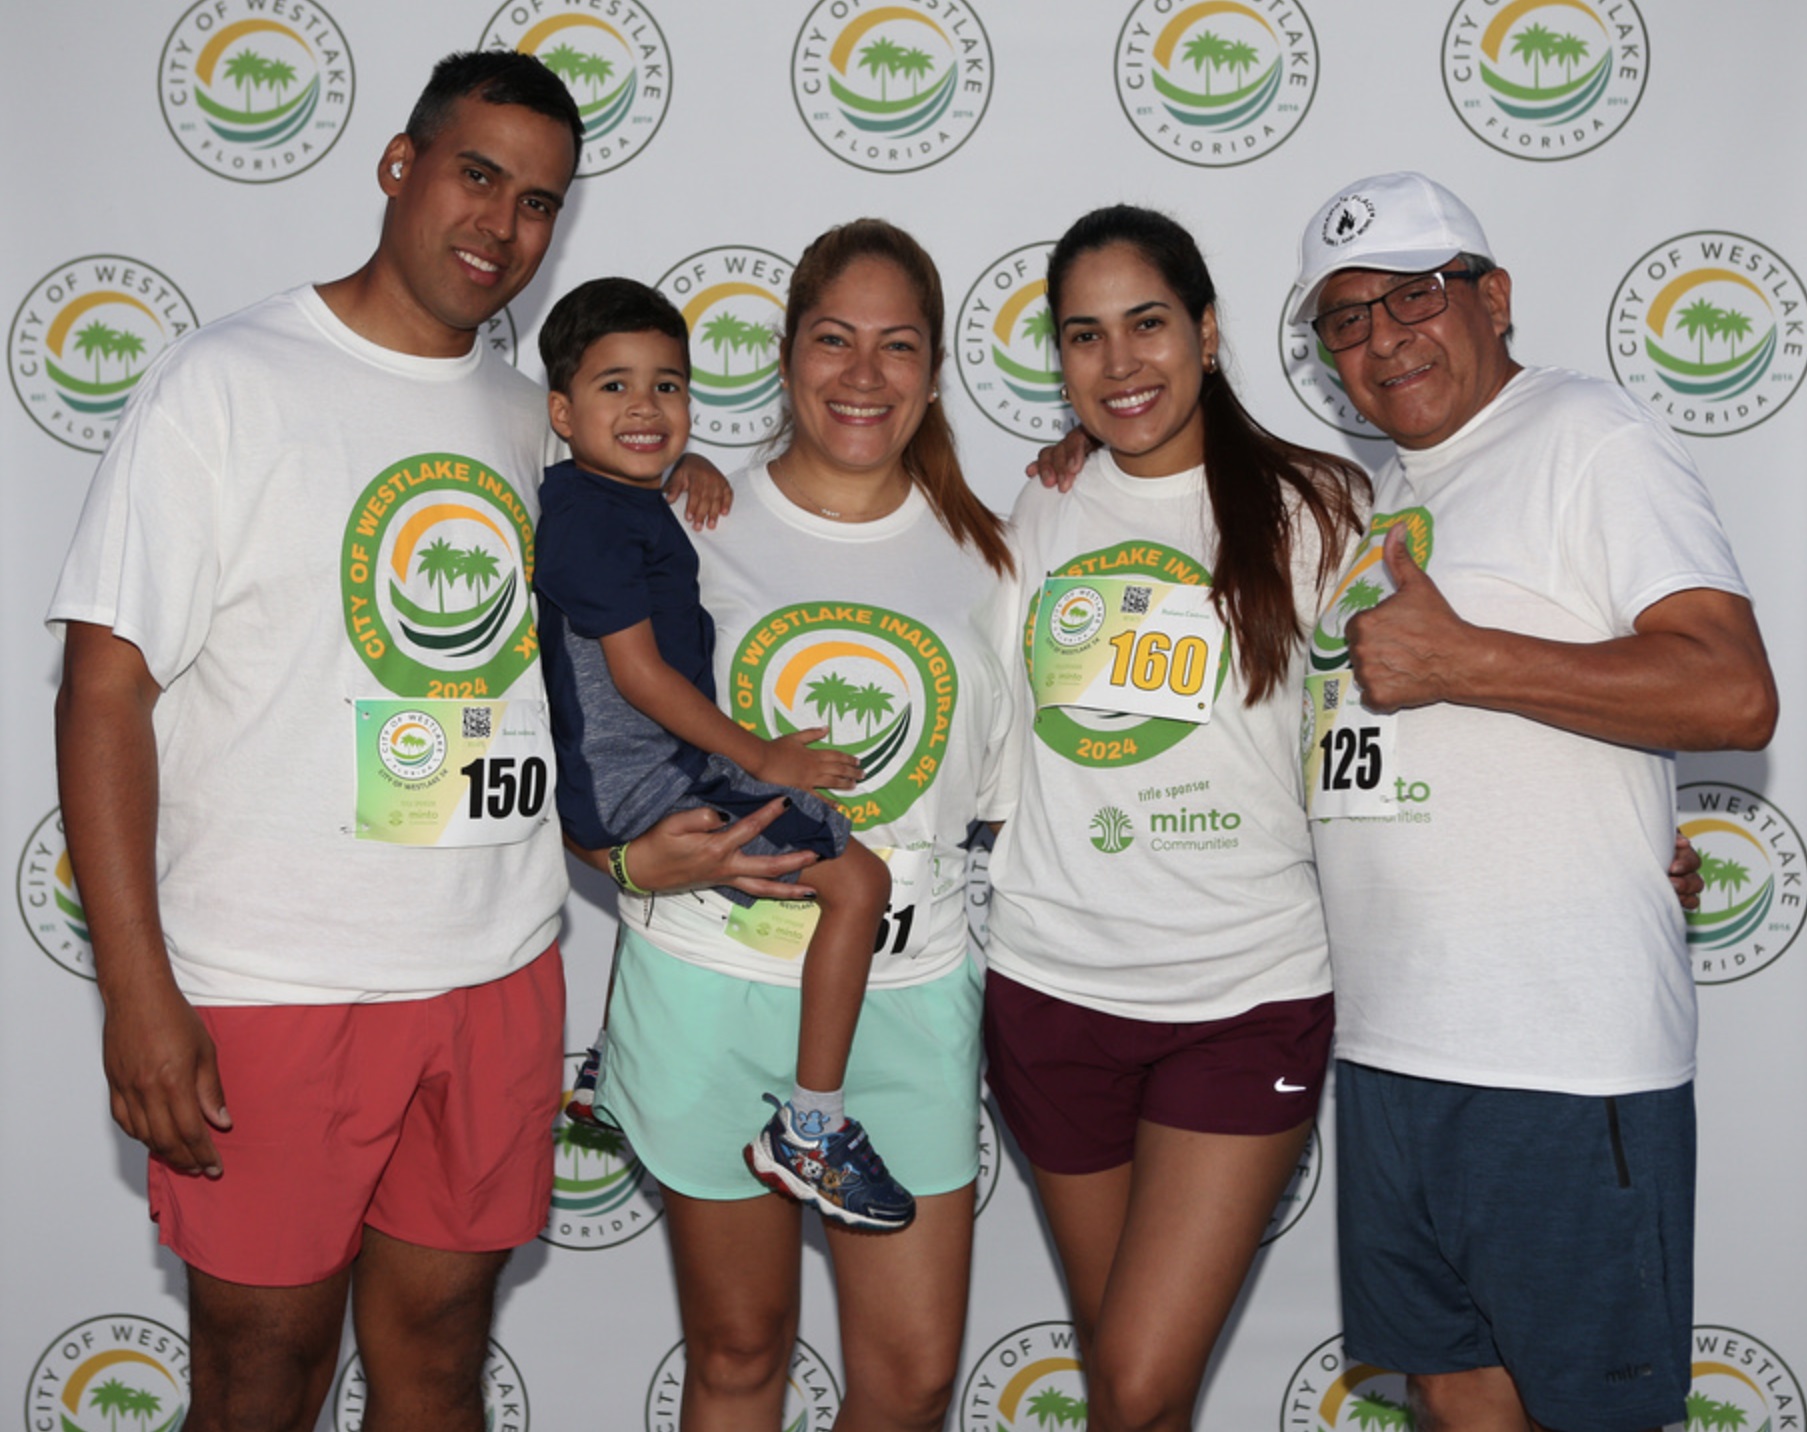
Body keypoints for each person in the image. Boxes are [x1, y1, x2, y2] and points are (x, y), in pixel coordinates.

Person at [47, 52, 797, 1432]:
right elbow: (103, 692)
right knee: (261, 1379)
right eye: (475, 176)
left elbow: (554, 697)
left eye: (536, 205)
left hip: (494, 975)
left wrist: (621, 857)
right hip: (273, 989)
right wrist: (137, 994)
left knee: (442, 1359)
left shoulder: (543, 427)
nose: (499, 226)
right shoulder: (223, 384)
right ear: (400, 165)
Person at [1291, 171, 1778, 1432]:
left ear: (1491, 297)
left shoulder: (1588, 437)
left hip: (1555, 1055)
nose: (1383, 336)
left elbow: (1732, 691)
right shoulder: (1386, 494)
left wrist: (1468, 661)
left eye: (1414, 294)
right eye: (1346, 317)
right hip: (1394, 1048)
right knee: (1455, 1394)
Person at [599, 219, 1014, 1431]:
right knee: (738, 1356)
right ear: (784, 356)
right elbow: (595, 722)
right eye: (834, 339)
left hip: (910, 989)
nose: (863, 374)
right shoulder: (682, 520)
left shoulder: (992, 551)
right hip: (710, 987)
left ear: (935, 372)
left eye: (897, 346)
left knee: (913, 1381)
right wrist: (613, 853)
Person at [982, 205, 1371, 1432]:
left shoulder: (1318, 505)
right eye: (1083, 337)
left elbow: (1407, 729)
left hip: (1242, 990)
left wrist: (1618, 832)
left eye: (1146, 323)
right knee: (1128, 1393)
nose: (1119, 364)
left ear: (1206, 331)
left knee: (1140, 1382)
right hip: (1050, 990)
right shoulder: (1035, 511)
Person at [530, 276, 911, 1231]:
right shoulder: (591, 520)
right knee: (858, 885)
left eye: (667, 386)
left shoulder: (605, 496)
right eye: (614, 387)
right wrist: (763, 759)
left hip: (639, 766)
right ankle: (811, 1131)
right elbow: (641, 679)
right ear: (560, 411)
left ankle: (610, 1063)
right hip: (642, 777)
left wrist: (681, 467)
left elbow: (636, 475)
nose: (646, 407)